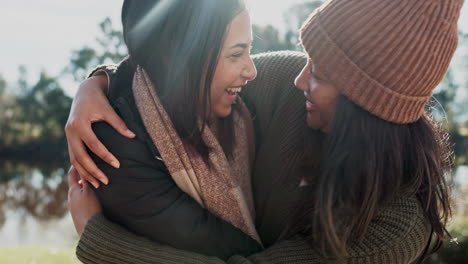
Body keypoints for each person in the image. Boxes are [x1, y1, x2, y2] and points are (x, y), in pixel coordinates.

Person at [67, 0, 464, 263]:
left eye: (320, 74)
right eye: (308, 59)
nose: (299, 78)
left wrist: (98, 240)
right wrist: (95, 86)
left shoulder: (393, 229)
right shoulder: (287, 84)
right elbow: (185, 64)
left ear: (365, 105)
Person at [67, 0, 265, 260]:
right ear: (182, 59)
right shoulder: (117, 147)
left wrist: (97, 80)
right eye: (236, 54)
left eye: (250, 50)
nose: (252, 71)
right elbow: (238, 253)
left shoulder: (241, 106)